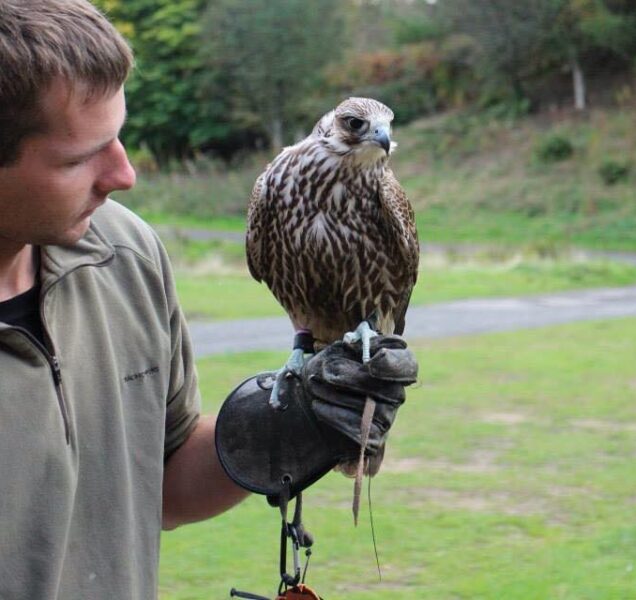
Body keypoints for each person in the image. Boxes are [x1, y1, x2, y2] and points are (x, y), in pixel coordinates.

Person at [0, 1, 416, 598]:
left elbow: (162, 482)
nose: (125, 176)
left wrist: (294, 422)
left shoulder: (127, 253)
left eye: (117, 136)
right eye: (78, 157)